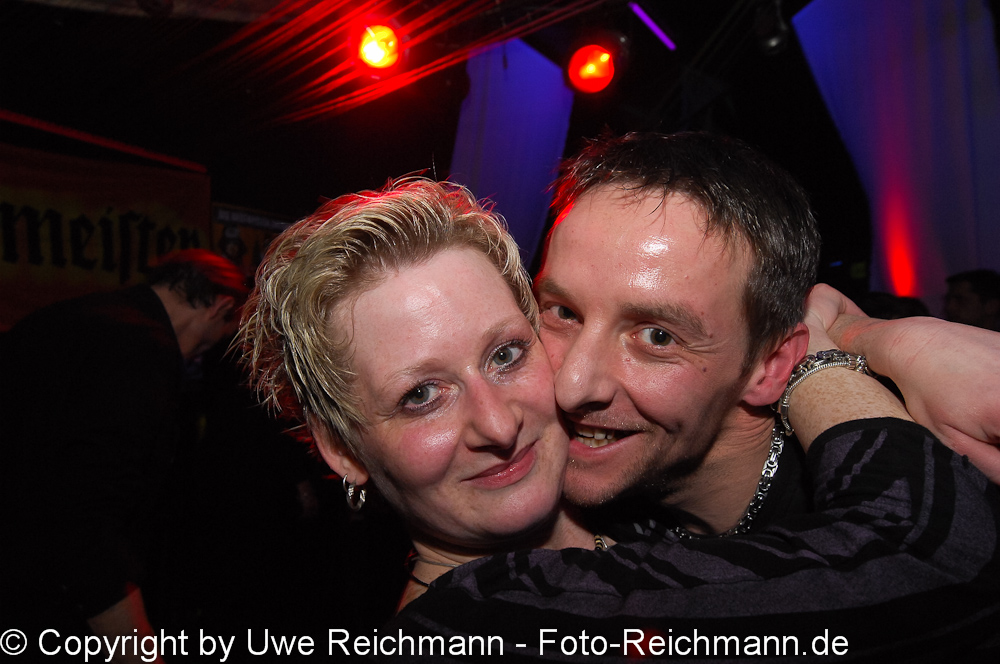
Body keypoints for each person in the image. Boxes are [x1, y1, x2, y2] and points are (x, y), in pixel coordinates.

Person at [240, 177, 999, 661]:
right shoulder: (478, 626)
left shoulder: (623, 507)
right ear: (343, 450)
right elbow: (937, 554)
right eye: (420, 396)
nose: (498, 425)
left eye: (505, 354)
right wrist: (827, 346)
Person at [0, 249, 248, 664]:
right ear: (221, 307)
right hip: (41, 603)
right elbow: (88, 513)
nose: (205, 351)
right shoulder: (140, 348)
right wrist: (133, 646)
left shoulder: (69, 317)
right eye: (222, 333)